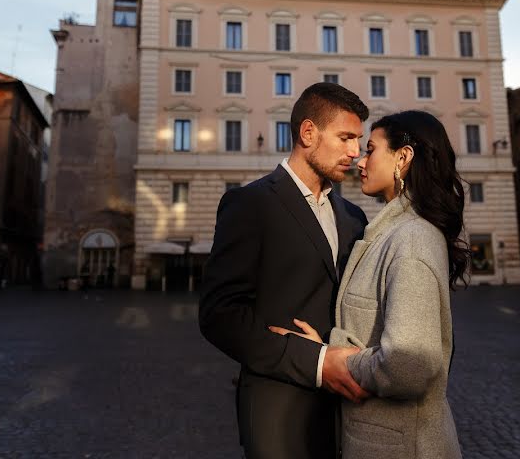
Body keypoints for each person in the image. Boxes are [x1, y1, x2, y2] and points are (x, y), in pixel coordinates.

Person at [272, 110, 468, 458]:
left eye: (371, 150)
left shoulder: (410, 240)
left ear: (403, 158)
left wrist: (333, 360)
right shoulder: (394, 232)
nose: (360, 160)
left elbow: (409, 366)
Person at [199, 83, 371, 459]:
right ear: (308, 133)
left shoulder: (354, 216)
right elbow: (220, 316)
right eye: (345, 138)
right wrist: (318, 362)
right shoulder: (250, 204)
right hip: (277, 415)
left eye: (358, 140)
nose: (355, 152)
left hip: (350, 415)